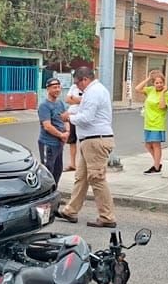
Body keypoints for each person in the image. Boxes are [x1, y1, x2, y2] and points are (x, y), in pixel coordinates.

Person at [54, 67, 116, 228]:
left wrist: (70, 117)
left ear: (85, 79)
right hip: (89, 141)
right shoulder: (92, 91)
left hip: (96, 140)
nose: (77, 87)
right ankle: (71, 211)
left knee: (97, 178)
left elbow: (87, 117)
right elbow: (82, 109)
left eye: (77, 83)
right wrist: (70, 113)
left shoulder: (94, 92)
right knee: (81, 177)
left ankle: (107, 217)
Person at [135, 69, 168, 174]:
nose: (159, 85)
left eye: (161, 83)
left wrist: (163, 93)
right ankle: (157, 163)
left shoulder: (166, 94)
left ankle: (156, 167)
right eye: (156, 82)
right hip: (148, 123)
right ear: (154, 83)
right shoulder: (150, 90)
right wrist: (149, 78)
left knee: (156, 145)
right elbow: (137, 89)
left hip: (157, 123)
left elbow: (162, 106)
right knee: (147, 145)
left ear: (164, 83)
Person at [37, 77, 69, 184]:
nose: (57, 90)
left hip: (59, 144)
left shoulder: (60, 104)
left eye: (59, 87)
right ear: (48, 89)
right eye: (54, 87)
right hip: (48, 144)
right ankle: (45, 196)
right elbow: (47, 125)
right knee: (47, 171)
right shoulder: (44, 106)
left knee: (58, 170)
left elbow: (65, 119)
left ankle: (53, 193)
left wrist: (67, 132)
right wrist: (61, 135)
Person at [64, 81, 83, 171]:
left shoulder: (88, 89)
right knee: (72, 141)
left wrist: (74, 99)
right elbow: (67, 100)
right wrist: (78, 100)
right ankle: (72, 164)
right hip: (72, 115)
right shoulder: (73, 87)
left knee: (83, 141)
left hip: (82, 116)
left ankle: (83, 164)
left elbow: (85, 101)